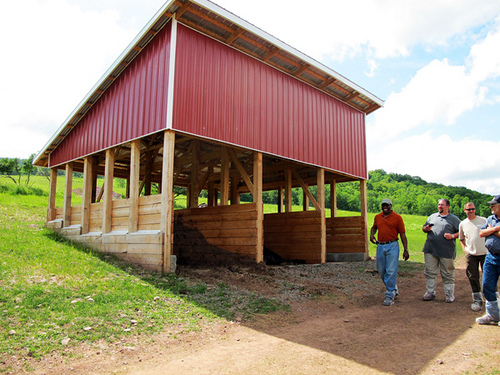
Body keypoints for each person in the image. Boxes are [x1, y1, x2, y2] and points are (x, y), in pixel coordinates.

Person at [370, 198, 409, 306]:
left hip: (392, 245)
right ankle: (393, 287)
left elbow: (402, 234)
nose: (385, 207)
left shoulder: (397, 218)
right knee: (381, 270)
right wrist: (372, 234)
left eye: (387, 205)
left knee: (391, 269)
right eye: (383, 205)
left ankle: (389, 294)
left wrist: (406, 249)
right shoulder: (378, 217)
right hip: (380, 245)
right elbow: (374, 227)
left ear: (391, 206)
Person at [422, 198, 461, 302]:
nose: (440, 206)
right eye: (439, 204)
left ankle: (449, 295)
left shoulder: (454, 219)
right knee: (430, 271)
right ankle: (430, 292)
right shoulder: (432, 217)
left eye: (442, 205)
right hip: (430, 249)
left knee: (448, 273)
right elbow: (424, 227)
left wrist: (452, 236)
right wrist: (425, 229)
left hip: (446, 251)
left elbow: (462, 232)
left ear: (447, 206)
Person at [459, 202, 487, 311]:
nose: (471, 211)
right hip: (471, 255)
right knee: (472, 276)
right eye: (468, 209)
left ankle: (491, 300)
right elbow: (461, 238)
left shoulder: (483, 220)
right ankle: (477, 299)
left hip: (485, 253)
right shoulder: (463, 224)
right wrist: (465, 249)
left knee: (489, 277)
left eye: (473, 209)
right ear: (465, 210)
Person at [476, 195, 500, 325]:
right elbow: (481, 233)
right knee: (487, 286)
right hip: (490, 256)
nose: (490, 207)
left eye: (493, 205)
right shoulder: (491, 218)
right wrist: (495, 229)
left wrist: (490, 230)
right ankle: (493, 315)